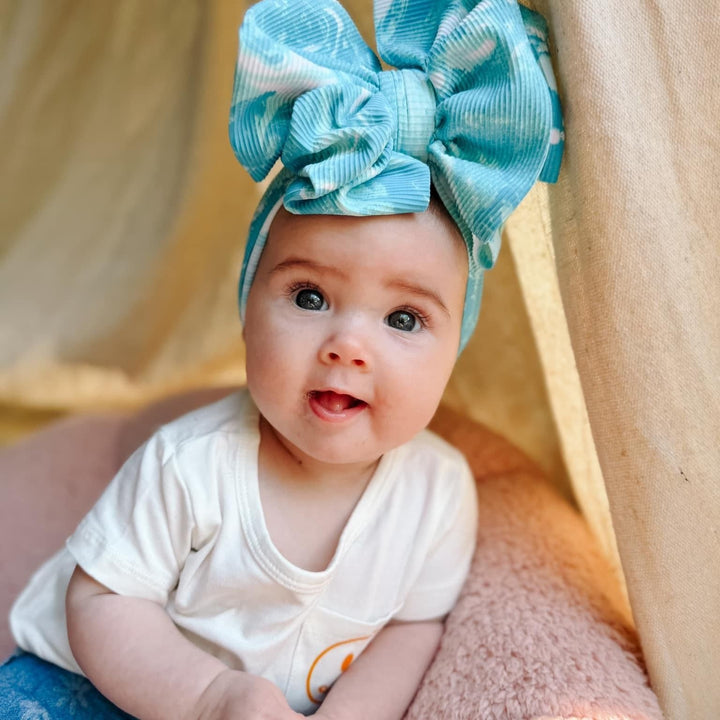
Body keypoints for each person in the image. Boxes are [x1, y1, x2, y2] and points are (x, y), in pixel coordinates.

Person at [1, 0, 563, 718]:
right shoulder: (191, 465)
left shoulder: (439, 492)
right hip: (91, 686)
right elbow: (101, 597)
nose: (346, 346)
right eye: (308, 297)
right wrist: (208, 698)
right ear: (246, 310)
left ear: (455, 347)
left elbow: (412, 627)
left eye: (402, 318)